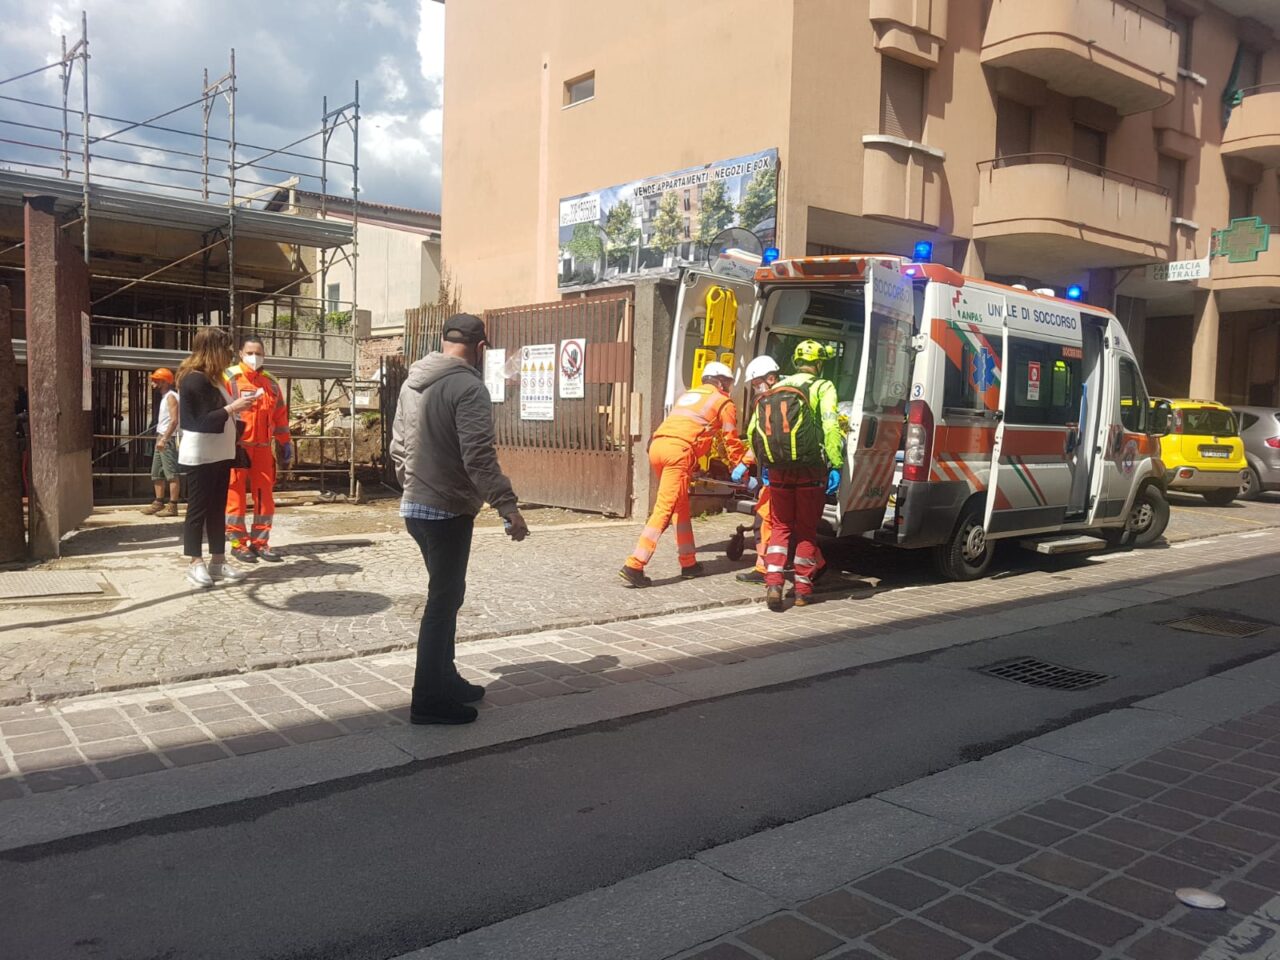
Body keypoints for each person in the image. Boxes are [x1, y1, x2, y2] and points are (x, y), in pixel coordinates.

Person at [390, 313, 529, 725]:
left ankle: (446, 679)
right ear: (481, 348)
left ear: (443, 340)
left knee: (447, 596)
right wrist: (507, 505)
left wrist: (413, 485)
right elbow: (478, 456)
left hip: (415, 506)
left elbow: (398, 446)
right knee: (442, 601)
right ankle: (428, 699)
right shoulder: (469, 387)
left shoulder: (413, 381)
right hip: (446, 507)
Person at [620, 361, 747, 587]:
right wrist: (742, 466)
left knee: (680, 508)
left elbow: (690, 429)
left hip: (658, 447)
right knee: (664, 509)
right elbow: (730, 440)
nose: (728, 387)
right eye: (727, 382)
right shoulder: (722, 402)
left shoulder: (689, 396)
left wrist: (693, 464)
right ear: (719, 381)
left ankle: (688, 563)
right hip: (678, 453)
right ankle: (635, 564)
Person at [748, 340, 843, 611]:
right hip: (811, 470)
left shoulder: (776, 389)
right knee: (805, 531)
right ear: (819, 363)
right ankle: (802, 591)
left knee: (780, 527)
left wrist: (764, 466)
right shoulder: (823, 387)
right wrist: (835, 464)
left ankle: (774, 584)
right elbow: (831, 426)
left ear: (794, 362)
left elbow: (753, 429)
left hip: (777, 470)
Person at [177, 327, 255, 588]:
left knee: (217, 509)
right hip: (201, 454)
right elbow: (201, 421)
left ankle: (218, 560)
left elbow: (220, 415)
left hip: (220, 453)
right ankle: (195, 563)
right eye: (226, 349)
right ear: (213, 350)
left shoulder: (215, 380)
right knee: (197, 510)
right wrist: (234, 407)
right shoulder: (194, 379)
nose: (229, 354)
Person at [224, 337, 293, 563]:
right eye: (250, 352)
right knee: (235, 496)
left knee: (265, 497)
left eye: (259, 353)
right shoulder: (229, 377)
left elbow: (280, 416)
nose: (255, 357)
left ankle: (260, 542)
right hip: (237, 447)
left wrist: (285, 442)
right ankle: (237, 543)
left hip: (263, 448)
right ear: (241, 354)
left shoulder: (271, 383)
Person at [733, 355, 780, 584]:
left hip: (776, 475)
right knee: (769, 520)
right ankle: (765, 567)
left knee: (768, 520)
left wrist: (746, 464)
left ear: (771, 378)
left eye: (756, 382)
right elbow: (757, 441)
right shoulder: (770, 402)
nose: (755, 388)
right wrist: (747, 464)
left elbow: (763, 441)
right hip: (770, 476)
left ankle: (766, 570)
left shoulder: (774, 402)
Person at [141, 368, 182, 517]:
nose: (153, 382)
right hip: (162, 437)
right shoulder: (166, 397)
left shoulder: (171, 397)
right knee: (157, 472)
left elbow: (174, 420)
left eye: (156, 380)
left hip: (168, 438)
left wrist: (164, 438)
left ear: (164, 382)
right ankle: (159, 502)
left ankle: (173, 505)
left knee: (171, 472)